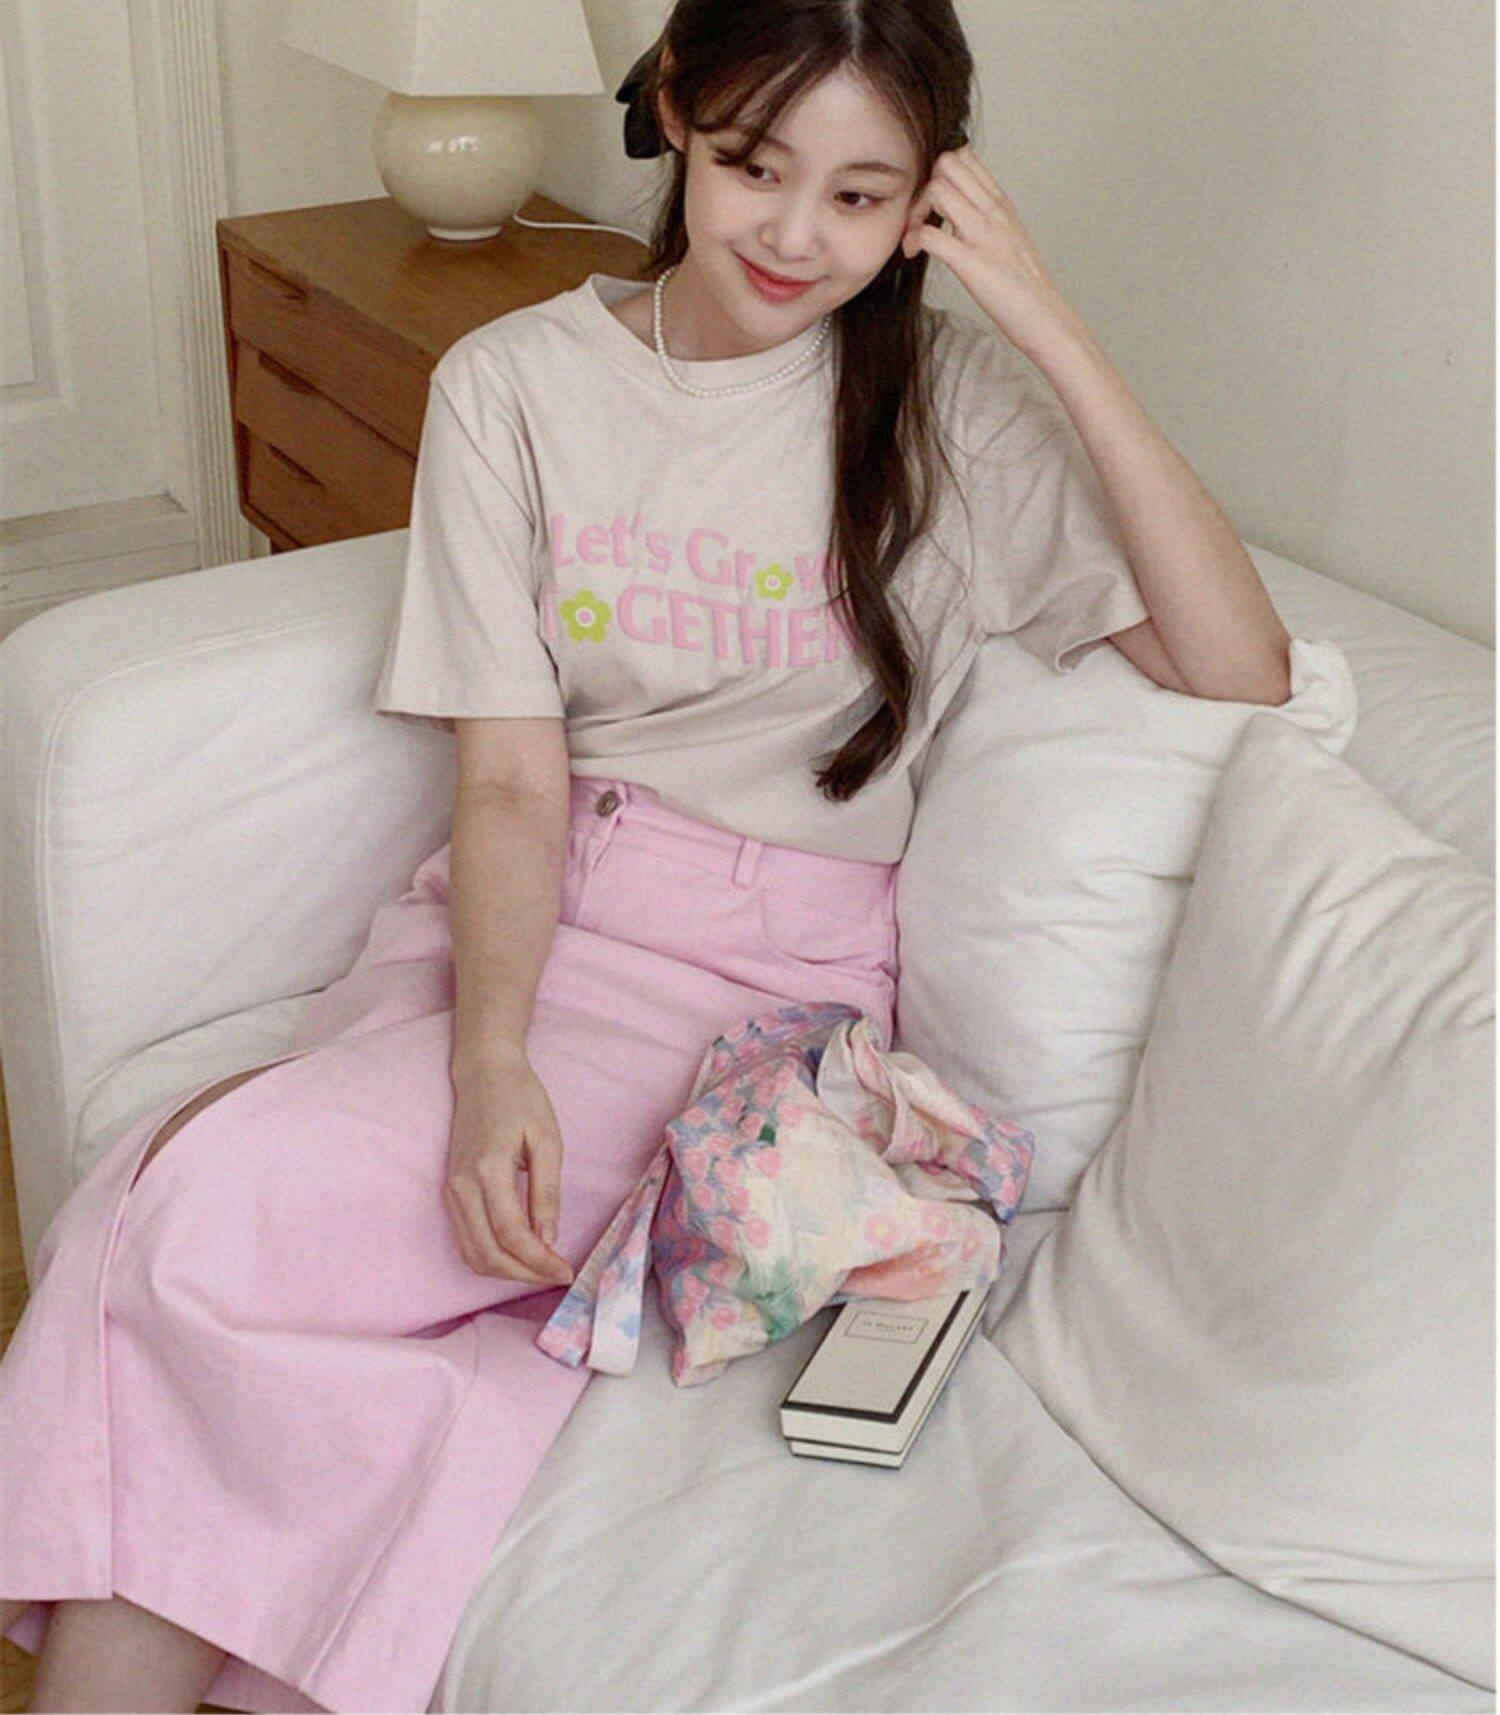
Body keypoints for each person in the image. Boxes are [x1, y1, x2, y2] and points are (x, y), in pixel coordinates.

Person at [0, 1, 1293, 1708]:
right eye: (757, 167)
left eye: (860, 197)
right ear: (675, 107)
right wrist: (489, 1056)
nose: (796, 236)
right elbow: (508, 781)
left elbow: (1240, 662)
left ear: (929, 200)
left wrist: (1044, 319)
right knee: (168, 1208)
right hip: (509, 917)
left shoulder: (947, 407)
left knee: (178, 1226)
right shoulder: (515, 386)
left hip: (745, 994)